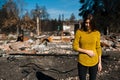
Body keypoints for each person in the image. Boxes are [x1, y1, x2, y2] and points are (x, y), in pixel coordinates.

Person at [73, 14, 102, 80]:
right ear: (84, 22)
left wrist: (99, 63)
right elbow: (74, 46)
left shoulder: (97, 33)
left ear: (93, 23)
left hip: (94, 61)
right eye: (86, 22)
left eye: (90, 23)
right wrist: (87, 51)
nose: (88, 25)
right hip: (82, 61)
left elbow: (98, 47)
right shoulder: (79, 32)